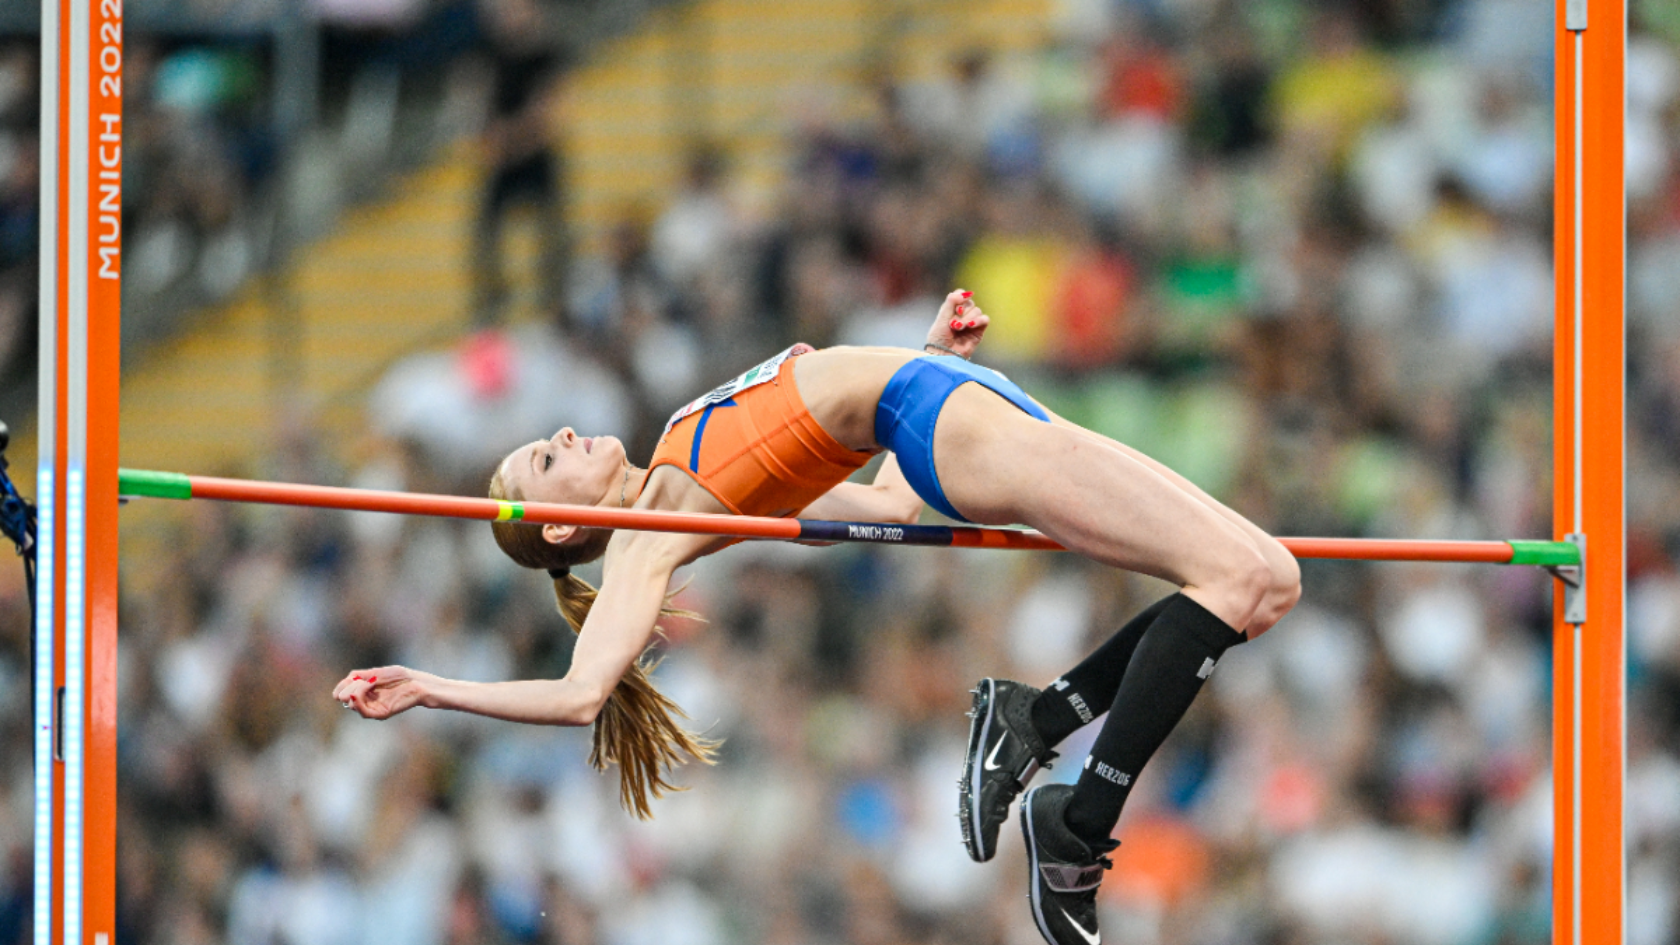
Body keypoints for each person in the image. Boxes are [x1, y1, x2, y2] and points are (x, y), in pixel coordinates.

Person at [332, 290, 1301, 945]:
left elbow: (884, 511)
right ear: (557, 526)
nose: (559, 436)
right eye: (544, 463)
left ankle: (1036, 723)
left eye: (539, 443)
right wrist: (427, 686)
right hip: (953, 426)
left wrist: (925, 355)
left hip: (952, 404)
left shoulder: (677, 456)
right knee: (1236, 578)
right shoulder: (649, 529)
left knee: (1268, 578)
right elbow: (584, 693)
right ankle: (1076, 824)